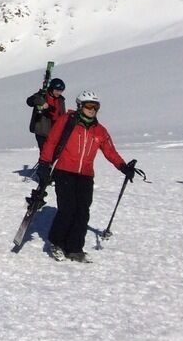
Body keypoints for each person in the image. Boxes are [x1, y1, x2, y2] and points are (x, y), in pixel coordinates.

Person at [36, 91, 136, 263]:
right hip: (65, 171)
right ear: (80, 106)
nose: (93, 110)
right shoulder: (67, 121)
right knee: (67, 209)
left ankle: (75, 248)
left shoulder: (100, 130)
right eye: (89, 106)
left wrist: (123, 167)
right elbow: (51, 141)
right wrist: (45, 163)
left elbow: (110, 151)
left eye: (96, 107)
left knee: (82, 212)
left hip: (86, 175)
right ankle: (57, 243)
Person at [26, 78, 66, 153]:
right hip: (42, 131)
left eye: (61, 91)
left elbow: (62, 114)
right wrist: (42, 103)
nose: (59, 93)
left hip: (55, 131)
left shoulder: (61, 100)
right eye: (57, 90)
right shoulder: (43, 95)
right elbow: (30, 101)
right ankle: (44, 164)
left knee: (55, 153)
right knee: (45, 153)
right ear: (51, 88)